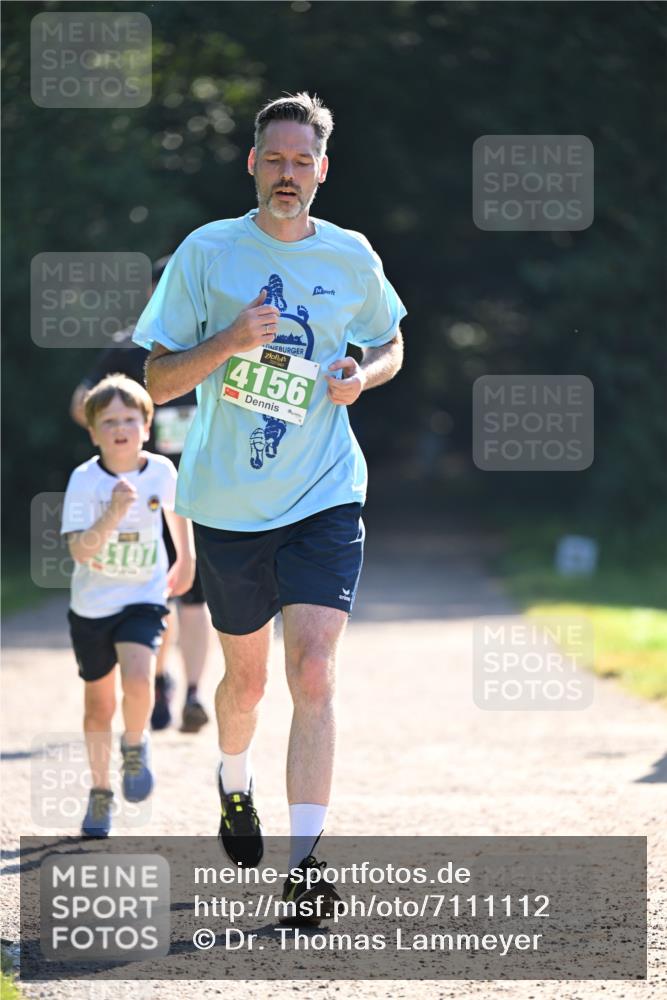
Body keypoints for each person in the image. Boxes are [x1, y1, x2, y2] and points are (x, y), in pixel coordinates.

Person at [133, 92, 406, 920]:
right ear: (253, 164)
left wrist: (365, 374)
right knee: (245, 687)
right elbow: (155, 381)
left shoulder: (351, 256)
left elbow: (391, 339)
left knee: (314, 669)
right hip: (226, 501)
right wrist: (226, 344)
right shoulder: (207, 253)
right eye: (275, 160)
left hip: (325, 489)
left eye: (302, 162)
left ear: (322, 171)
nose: (288, 175)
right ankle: (233, 778)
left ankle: (308, 864)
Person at [69, 258, 211, 734]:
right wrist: (113, 433)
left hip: (200, 489)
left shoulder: (214, 344)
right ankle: (161, 678)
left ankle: (192, 692)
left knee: (194, 596)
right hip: (146, 488)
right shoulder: (128, 348)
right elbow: (81, 398)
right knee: (161, 593)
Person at [61, 374, 195, 837]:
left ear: (147, 424)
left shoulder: (161, 470)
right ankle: (100, 793)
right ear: (94, 431)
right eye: (110, 421)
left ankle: (134, 746)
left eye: (130, 419)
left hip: (144, 595)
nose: (121, 427)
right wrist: (114, 512)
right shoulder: (84, 480)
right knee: (98, 707)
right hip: (93, 606)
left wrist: (186, 560)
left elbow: (178, 515)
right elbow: (80, 551)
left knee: (139, 678)